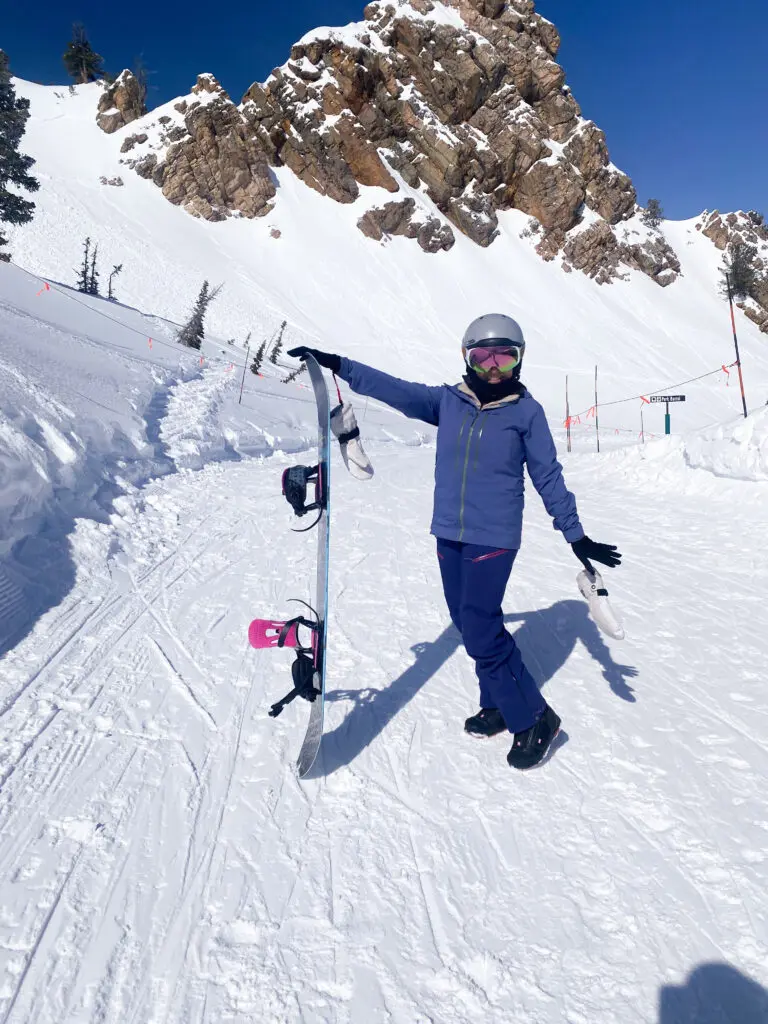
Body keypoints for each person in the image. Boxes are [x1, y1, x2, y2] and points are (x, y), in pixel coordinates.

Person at [288, 314, 621, 770]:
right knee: (471, 625)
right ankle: (498, 702)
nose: (492, 369)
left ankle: (535, 718)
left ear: (519, 360)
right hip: (449, 532)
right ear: (467, 358)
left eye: (504, 358)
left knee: (482, 630)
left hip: (495, 537)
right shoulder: (447, 402)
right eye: (482, 357)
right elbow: (394, 389)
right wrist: (339, 365)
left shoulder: (527, 413)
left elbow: (548, 476)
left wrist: (575, 534)